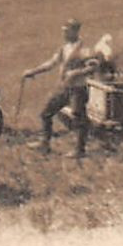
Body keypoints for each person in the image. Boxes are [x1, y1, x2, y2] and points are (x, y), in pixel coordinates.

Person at [20, 18, 102, 158]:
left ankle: (79, 150)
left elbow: (93, 67)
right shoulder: (64, 48)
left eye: (67, 31)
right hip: (64, 88)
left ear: (75, 31)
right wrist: (32, 71)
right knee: (45, 113)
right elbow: (51, 63)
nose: (64, 34)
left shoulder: (84, 49)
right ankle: (44, 143)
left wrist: (76, 73)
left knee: (78, 117)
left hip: (78, 89)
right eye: (63, 31)